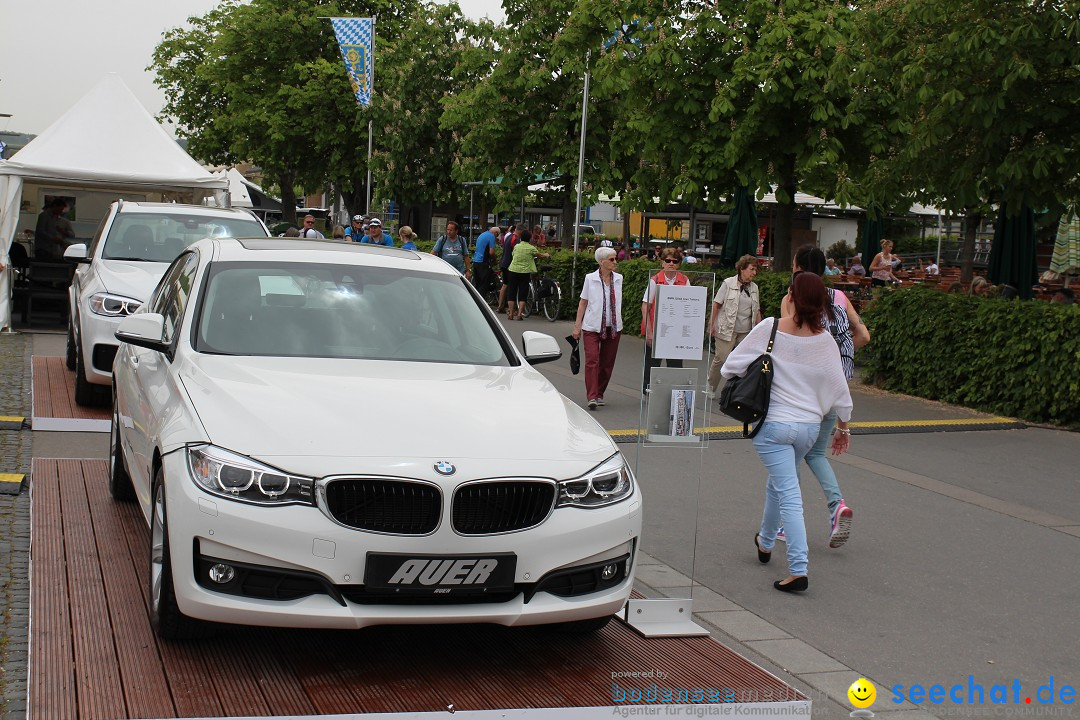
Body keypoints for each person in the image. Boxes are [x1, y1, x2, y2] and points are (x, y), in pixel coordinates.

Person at [722, 272, 853, 593]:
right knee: (780, 484)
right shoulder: (825, 340)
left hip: (775, 427)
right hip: (809, 428)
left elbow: (730, 367)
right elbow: (840, 389)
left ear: (791, 296)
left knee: (789, 493)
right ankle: (765, 542)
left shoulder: (770, 328)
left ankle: (798, 568)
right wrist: (844, 426)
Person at [779, 245, 870, 549]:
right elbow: (864, 336)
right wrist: (834, 361)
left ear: (799, 268)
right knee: (816, 454)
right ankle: (836, 507)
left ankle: (783, 522)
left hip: (803, 393)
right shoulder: (840, 298)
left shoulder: (794, 298)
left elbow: (787, 342)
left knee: (789, 455)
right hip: (835, 389)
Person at [573, 247, 623, 410]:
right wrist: (577, 326)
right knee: (592, 360)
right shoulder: (590, 278)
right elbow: (583, 302)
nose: (615, 262)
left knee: (607, 363)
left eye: (615, 259)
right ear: (601, 262)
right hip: (592, 326)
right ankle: (592, 396)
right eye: (612, 259)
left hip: (613, 327)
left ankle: (600, 393)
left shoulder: (619, 279)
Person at [706, 255, 762, 394]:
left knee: (746, 361)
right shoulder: (728, 283)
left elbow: (757, 310)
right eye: (752, 269)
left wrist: (760, 329)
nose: (754, 273)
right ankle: (710, 386)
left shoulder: (754, 287)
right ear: (742, 269)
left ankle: (737, 391)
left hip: (746, 331)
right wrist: (711, 325)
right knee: (722, 359)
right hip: (726, 329)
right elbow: (716, 305)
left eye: (756, 270)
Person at [641, 247, 690, 391]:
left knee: (675, 364)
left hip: (676, 332)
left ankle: (674, 392)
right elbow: (645, 307)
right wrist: (649, 332)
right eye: (667, 260)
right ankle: (648, 390)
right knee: (652, 363)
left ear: (679, 264)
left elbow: (689, 305)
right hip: (657, 331)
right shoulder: (655, 280)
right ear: (662, 262)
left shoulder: (684, 280)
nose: (671, 263)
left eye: (675, 261)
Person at [505, 230, 550, 320]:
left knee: (511, 292)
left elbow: (513, 255)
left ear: (521, 238)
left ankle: (510, 313)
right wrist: (546, 255)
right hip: (524, 272)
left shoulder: (517, 246)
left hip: (513, 270)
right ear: (529, 239)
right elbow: (540, 255)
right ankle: (519, 314)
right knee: (523, 293)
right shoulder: (531, 248)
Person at [496, 226, 519, 312]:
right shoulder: (516, 239)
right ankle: (511, 309)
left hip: (503, 263)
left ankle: (500, 306)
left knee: (505, 285)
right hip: (510, 264)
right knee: (511, 286)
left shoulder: (508, 236)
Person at [472, 226, 500, 296]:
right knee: (484, 285)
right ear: (496, 233)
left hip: (476, 261)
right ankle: (481, 303)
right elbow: (491, 252)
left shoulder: (482, 234)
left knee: (478, 284)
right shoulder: (491, 236)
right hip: (483, 262)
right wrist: (495, 260)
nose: (496, 237)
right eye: (497, 235)